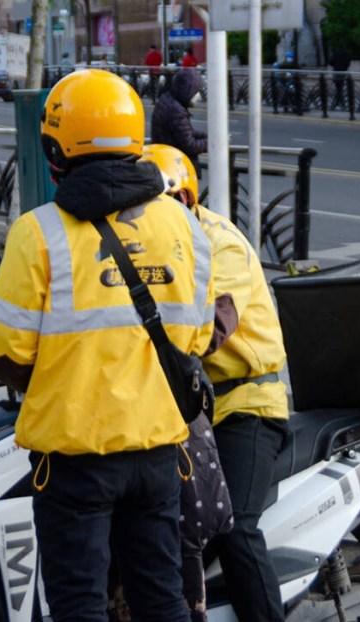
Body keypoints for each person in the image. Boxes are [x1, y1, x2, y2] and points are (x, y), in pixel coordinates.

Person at [0, 68, 217, 622]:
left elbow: (3, 353)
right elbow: (196, 339)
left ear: (55, 151)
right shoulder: (184, 226)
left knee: (79, 606)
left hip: (75, 464)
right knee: (161, 601)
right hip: (157, 457)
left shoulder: (39, 234)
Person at [142, 144, 289, 622]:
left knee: (234, 525)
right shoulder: (144, 243)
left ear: (186, 200)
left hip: (246, 404)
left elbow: (209, 327)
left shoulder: (219, 243)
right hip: (187, 410)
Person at [151, 68, 207, 173]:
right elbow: (189, 145)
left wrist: (205, 136)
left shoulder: (168, 101)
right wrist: (211, 143)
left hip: (167, 163)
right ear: (188, 89)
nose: (199, 97)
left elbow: (184, 132)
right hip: (177, 168)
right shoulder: (176, 110)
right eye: (197, 91)